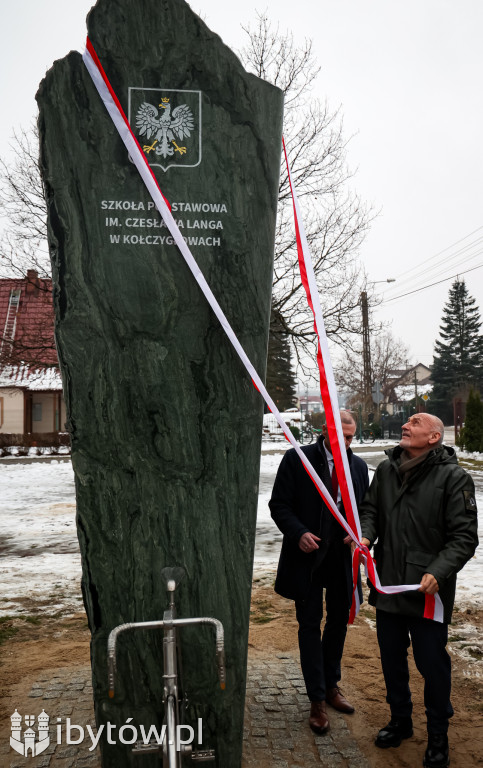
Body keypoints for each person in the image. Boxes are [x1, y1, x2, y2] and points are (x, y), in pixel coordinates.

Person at [359, 413, 478, 768]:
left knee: (432, 664)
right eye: (407, 421)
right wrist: (366, 535)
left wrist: (438, 572)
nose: (406, 425)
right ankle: (400, 720)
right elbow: (371, 511)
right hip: (389, 585)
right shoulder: (385, 470)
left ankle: (438, 734)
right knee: (391, 659)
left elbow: (464, 538)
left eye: (415, 421)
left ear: (433, 436)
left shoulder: (454, 478)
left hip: (428, 592)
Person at [269, 410, 369, 734]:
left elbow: (364, 510)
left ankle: (331, 686)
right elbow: (279, 504)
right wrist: (298, 532)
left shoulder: (358, 466)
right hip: (306, 560)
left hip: (340, 560)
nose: (347, 443)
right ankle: (316, 700)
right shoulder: (297, 459)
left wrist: (358, 533)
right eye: (342, 436)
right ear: (326, 430)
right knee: (310, 625)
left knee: (339, 621)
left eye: (352, 437)